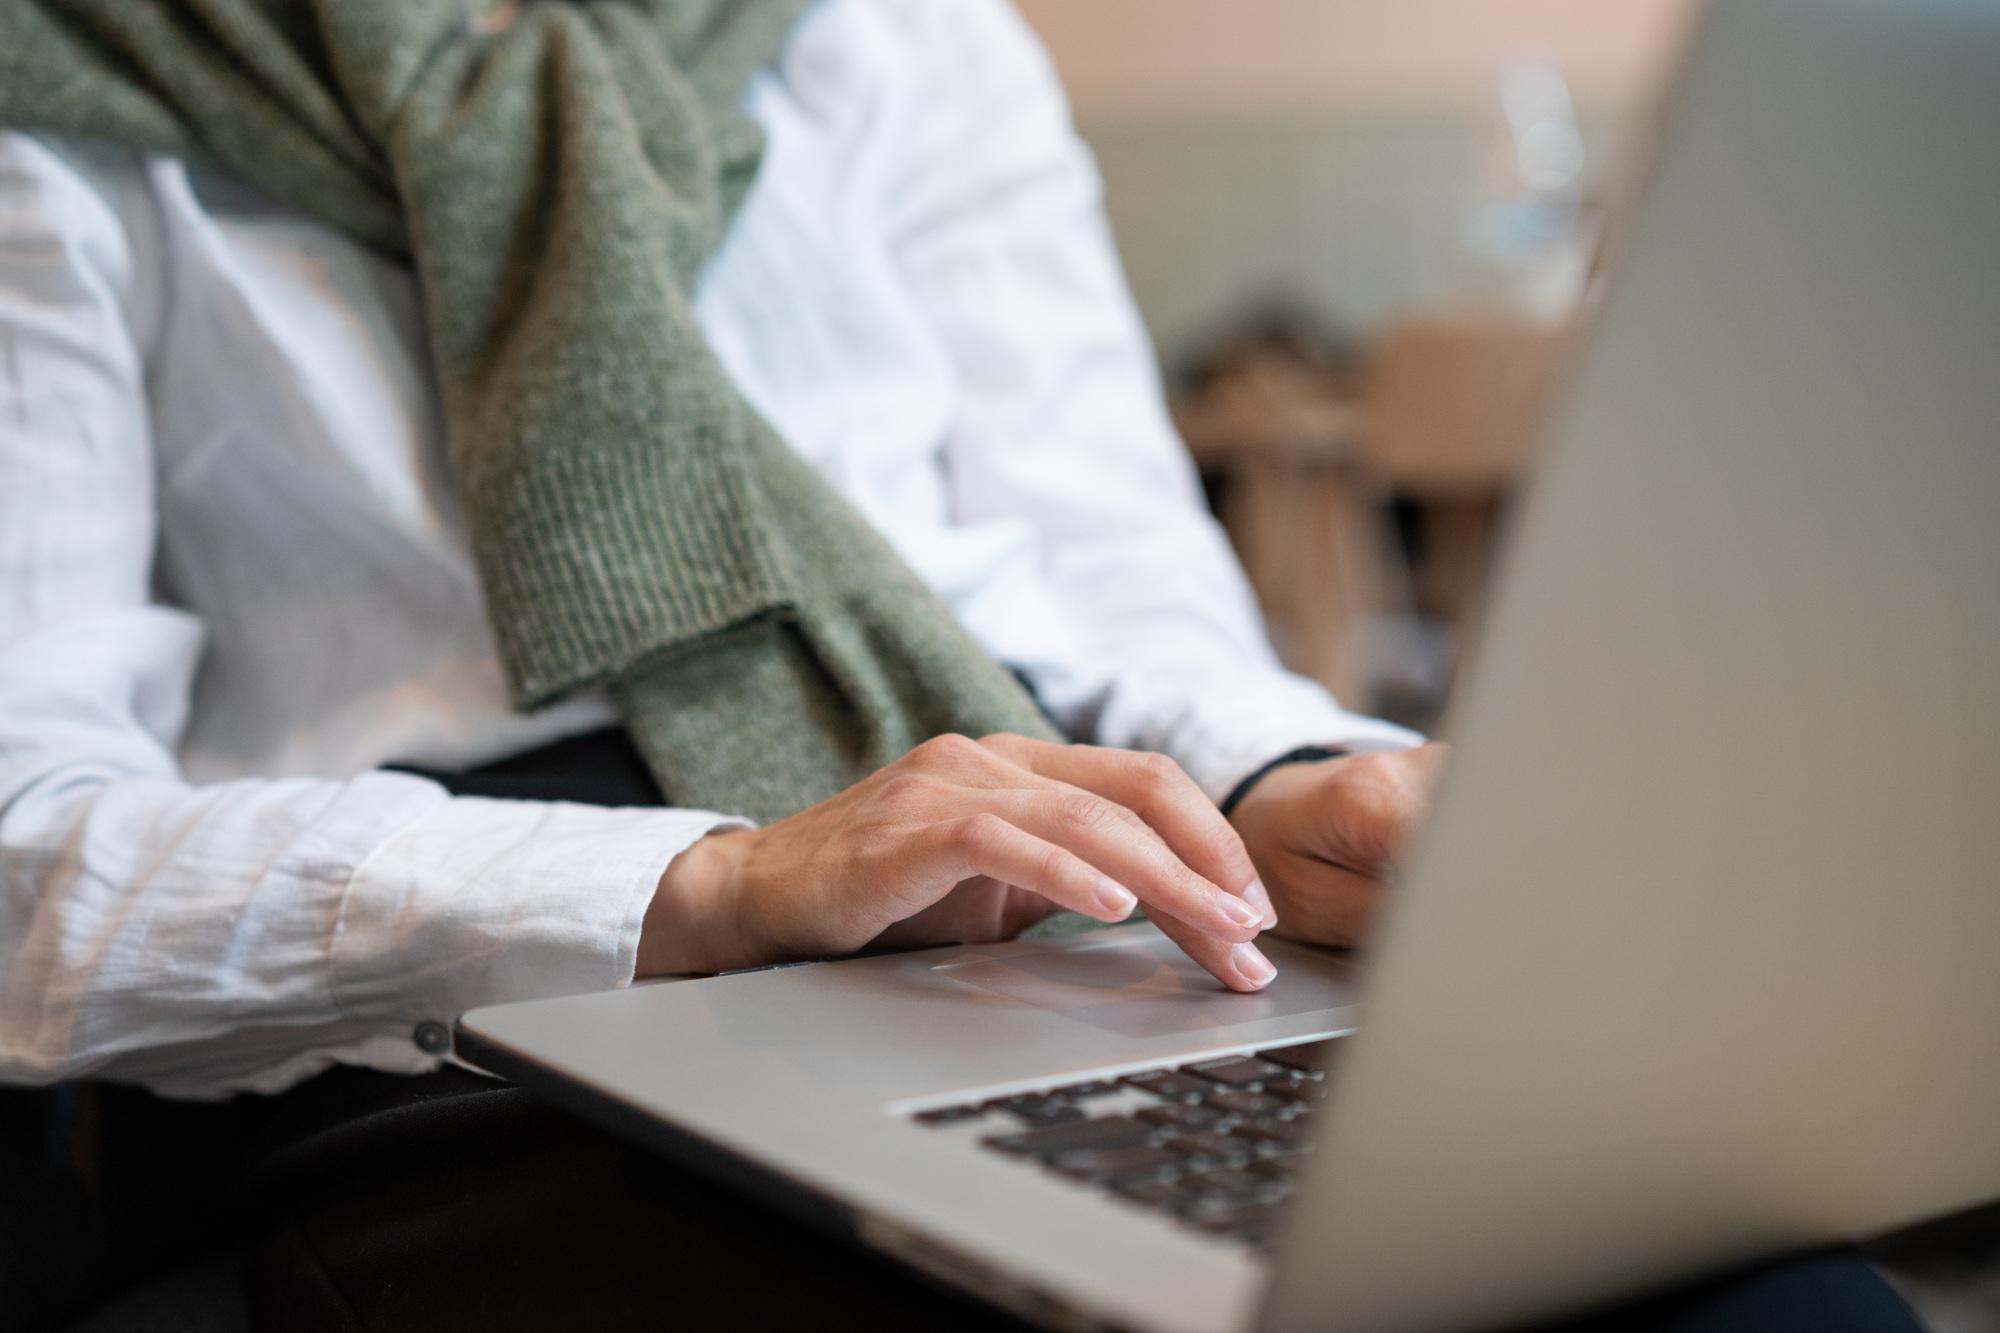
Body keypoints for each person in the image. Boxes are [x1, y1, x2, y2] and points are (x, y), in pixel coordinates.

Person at [0, 0, 1440, 1325]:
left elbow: (1110, 557)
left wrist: (1279, 773)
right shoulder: (65, 74)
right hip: (462, 981)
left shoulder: (895, 29)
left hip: (1025, 830)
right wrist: (713, 886)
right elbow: (25, 835)